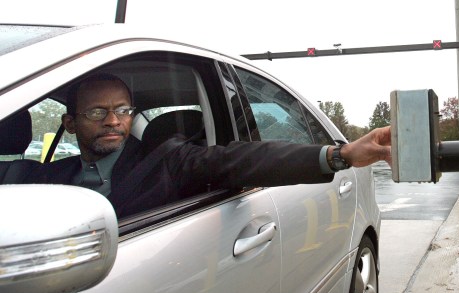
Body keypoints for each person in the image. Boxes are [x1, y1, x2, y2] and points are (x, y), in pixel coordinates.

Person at [25, 73, 392, 218]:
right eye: (97, 112)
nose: (113, 120)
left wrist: (339, 154)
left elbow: (238, 159)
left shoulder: (166, 161)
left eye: (123, 110)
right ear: (70, 123)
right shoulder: (43, 178)